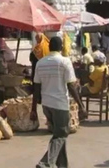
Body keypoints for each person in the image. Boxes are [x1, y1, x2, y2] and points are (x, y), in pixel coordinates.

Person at [31, 36, 87, 168]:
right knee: (61, 134)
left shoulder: (40, 63)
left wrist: (33, 109)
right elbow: (71, 86)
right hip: (60, 104)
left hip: (46, 105)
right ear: (61, 48)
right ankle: (45, 162)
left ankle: (62, 165)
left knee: (59, 134)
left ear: (49, 47)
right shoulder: (64, 62)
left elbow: (36, 87)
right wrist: (81, 106)